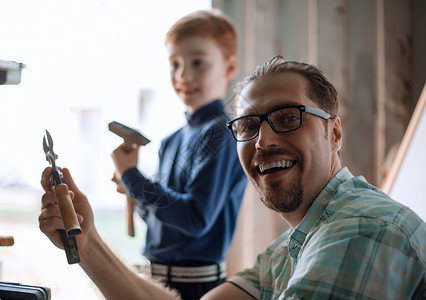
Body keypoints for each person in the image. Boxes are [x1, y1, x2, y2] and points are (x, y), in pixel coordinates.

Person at [39, 56, 426, 299]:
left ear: (335, 133)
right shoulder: (298, 241)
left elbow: (196, 216)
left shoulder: (361, 229)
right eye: (247, 125)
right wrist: (87, 243)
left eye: (289, 118)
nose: (264, 141)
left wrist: (134, 180)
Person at [76, 9, 248, 300]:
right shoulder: (172, 140)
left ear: (229, 69)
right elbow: (166, 222)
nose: (183, 75)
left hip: (196, 287)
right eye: (175, 64)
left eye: (198, 63)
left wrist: (132, 177)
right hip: (155, 278)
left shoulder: (222, 134)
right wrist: (135, 192)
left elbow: (195, 219)